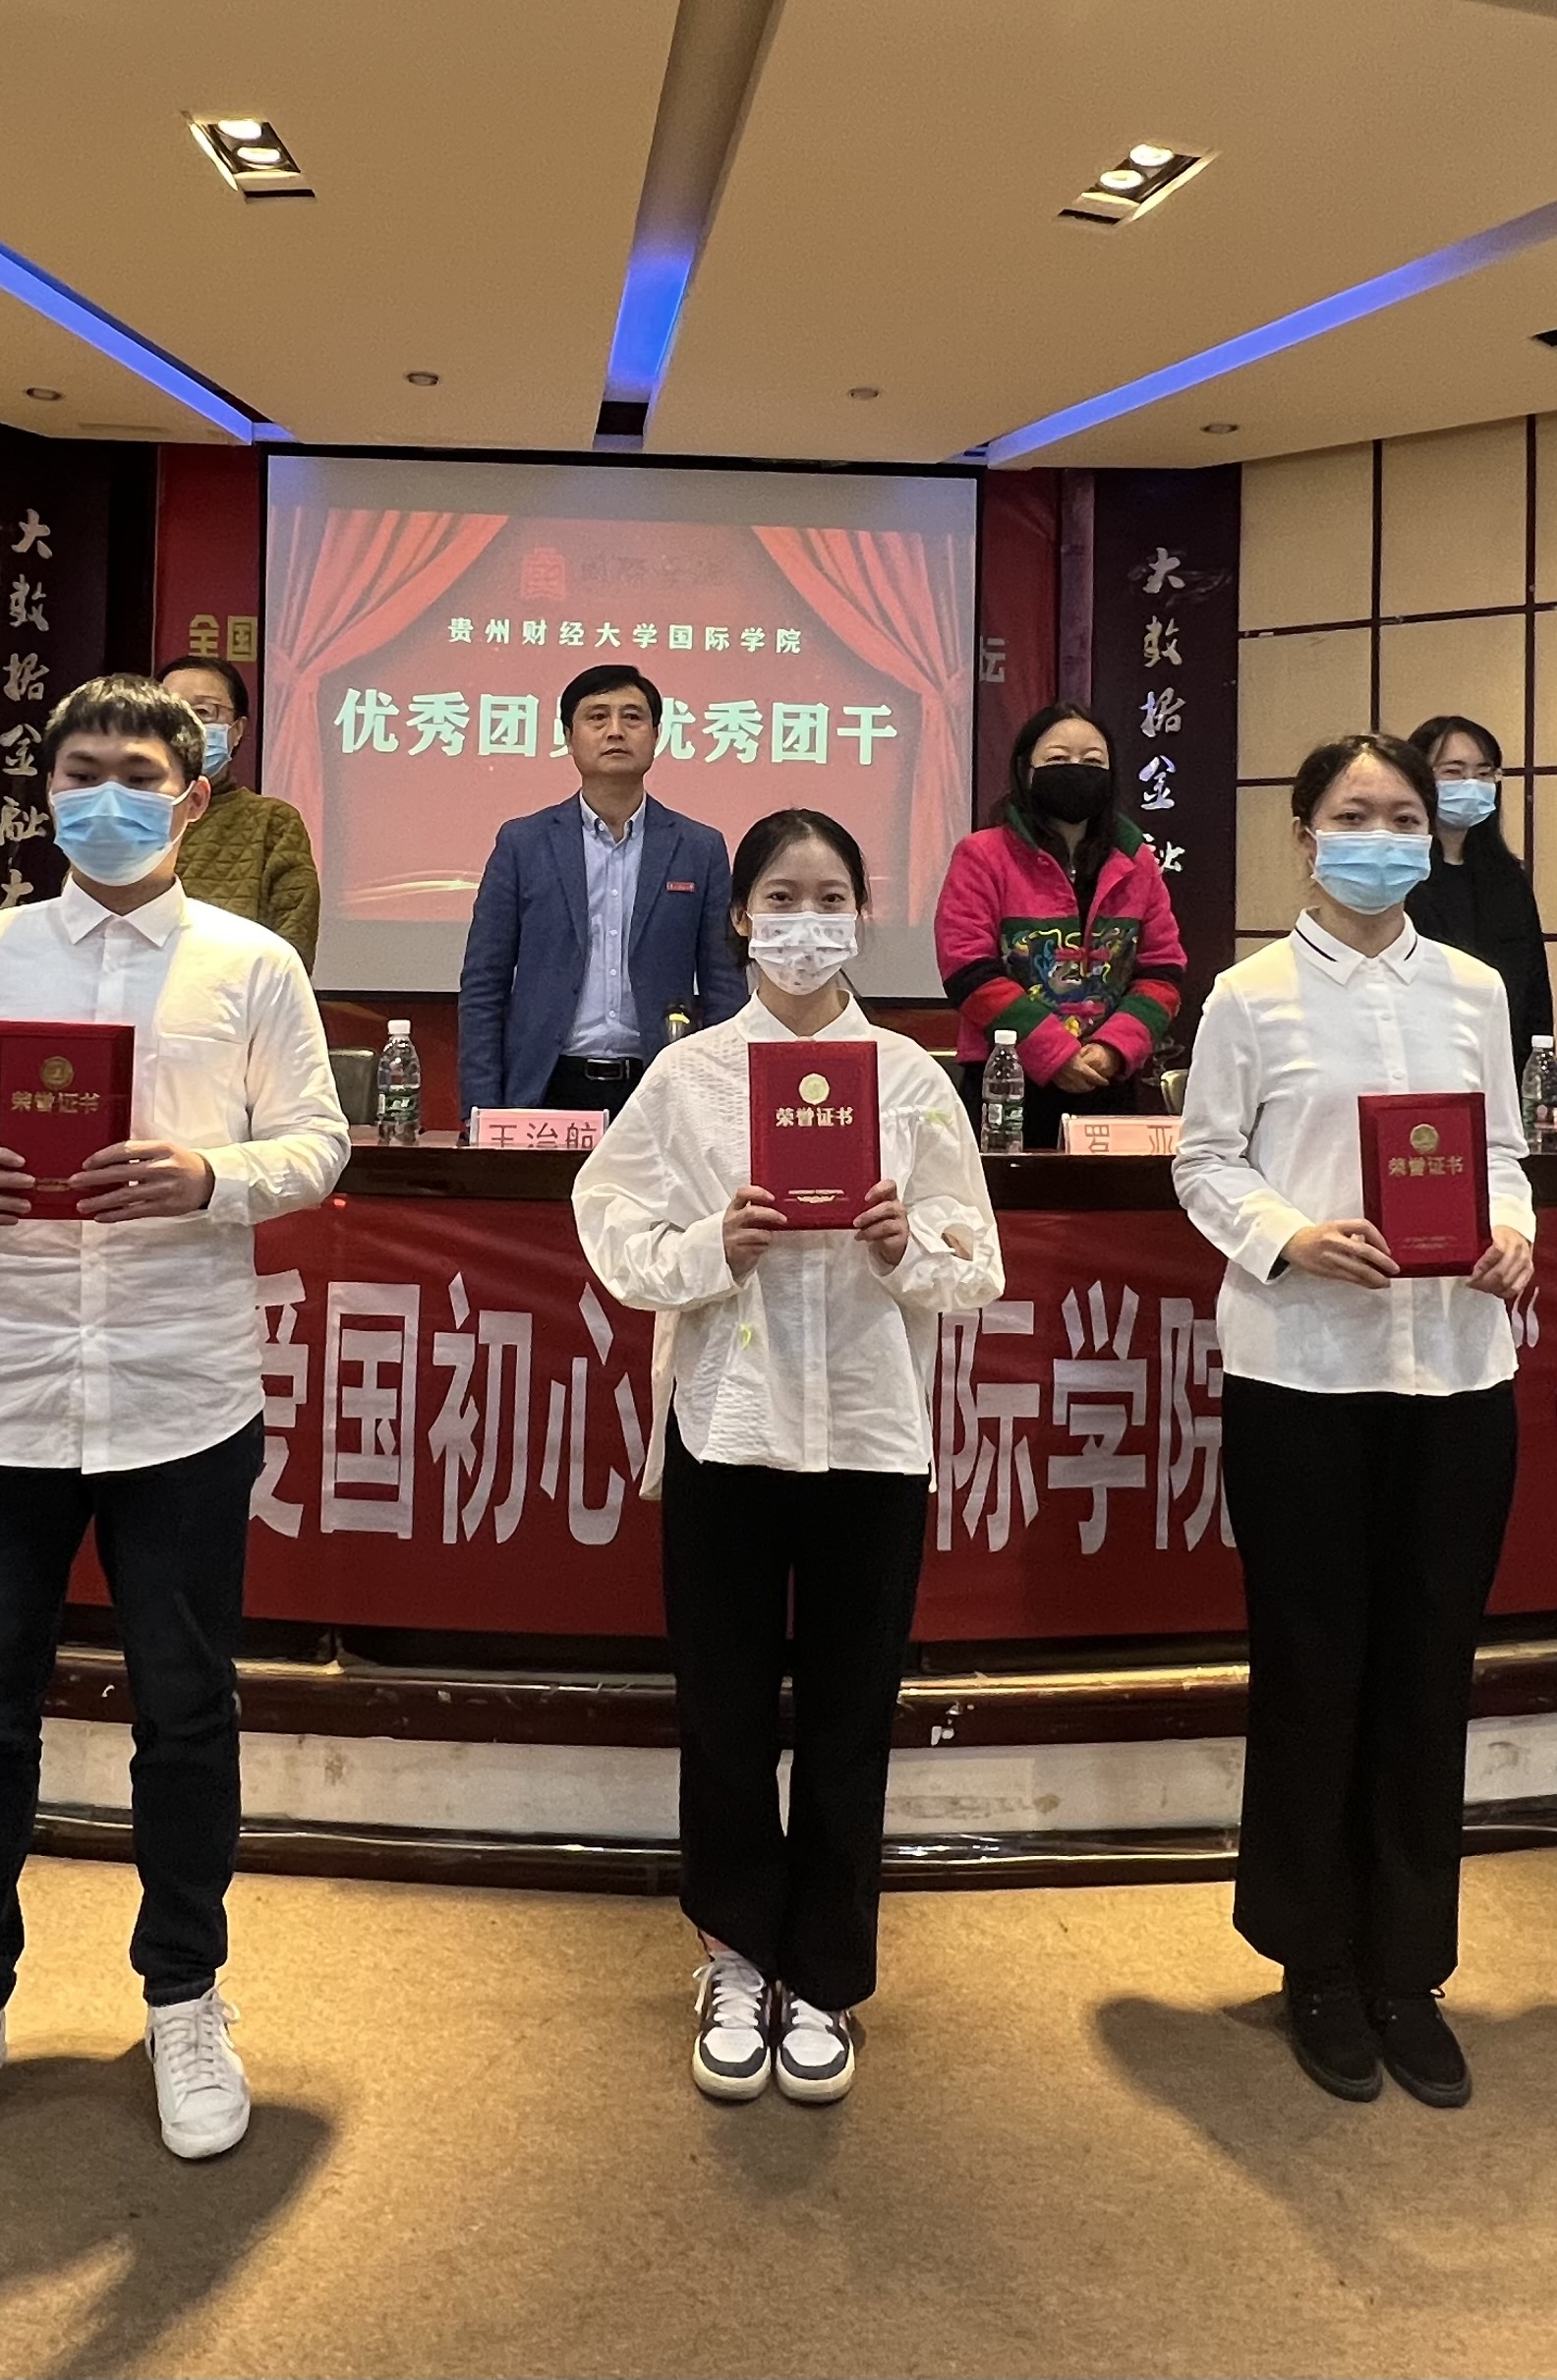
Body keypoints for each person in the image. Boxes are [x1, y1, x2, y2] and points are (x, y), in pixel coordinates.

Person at [0, 674, 350, 2201]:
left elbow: (318, 1141)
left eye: (136, 771)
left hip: (180, 1393)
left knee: (185, 1713)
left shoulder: (251, 963)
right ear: (44, 792)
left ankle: (184, 1996)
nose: (104, 794)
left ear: (190, 797)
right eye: (78, 770)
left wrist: (208, 1176)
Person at [574, 808, 1003, 2107]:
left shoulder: (909, 1077)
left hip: (869, 1433)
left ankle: (824, 1973)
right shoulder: (689, 1075)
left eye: (829, 898)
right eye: (781, 897)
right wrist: (713, 1246)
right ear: (740, 919)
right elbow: (610, 1223)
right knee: (722, 1709)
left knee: (847, 1715)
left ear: (859, 918)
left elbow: (976, 1261)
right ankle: (734, 1954)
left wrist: (904, 1247)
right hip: (731, 1425)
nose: (805, 922)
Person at [1172, 731, 1537, 2110]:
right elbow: (1204, 1161)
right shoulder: (1249, 995)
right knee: (1313, 1664)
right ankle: (1313, 1961)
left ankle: (1407, 1967)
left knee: (1430, 1667)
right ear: (1303, 834)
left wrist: (1514, 1230)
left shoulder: (1473, 988)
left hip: (1456, 1374)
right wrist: (1289, 1236)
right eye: (1352, 814)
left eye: (1400, 817)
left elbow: (1501, 1150)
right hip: (1305, 1377)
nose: (1378, 837)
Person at [458, 663, 744, 1117]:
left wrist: (724, 1101)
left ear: (656, 736)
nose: (615, 731)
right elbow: (484, 983)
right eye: (597, 717)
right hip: (547, 1085)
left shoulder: (699, 847)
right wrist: (481, 1107)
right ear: (569, 738)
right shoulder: (523, 843)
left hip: (661, 1084)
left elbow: (724, 986)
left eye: (632, 717)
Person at [932, 705, 1187, 1144]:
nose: (1076, 769)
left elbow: (1163, 972)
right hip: (1006, 1081)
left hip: (1107, 1079)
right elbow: (967, 969)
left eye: (1093, 761)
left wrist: (1113, 1048)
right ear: (1025, 770)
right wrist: (1053, 1051)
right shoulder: (982, 855)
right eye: (1057, 759)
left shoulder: (1136, 860)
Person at [1401, 714, 1552, 1079]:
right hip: (1422, 1065)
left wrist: (1537, 1072)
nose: (1471, 784)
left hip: (1504, 1066)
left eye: (1484, 773)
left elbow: (1535, 988)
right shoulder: (1402, 874)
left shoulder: (1508, 877)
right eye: (1453, 772)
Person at [158, 656, 321, 976]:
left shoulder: (273, 822)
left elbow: (291, 952)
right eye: (170, 712)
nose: (185, 726)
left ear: (237, 731)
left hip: (234, 1000)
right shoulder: (122, 814)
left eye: (203, 712)